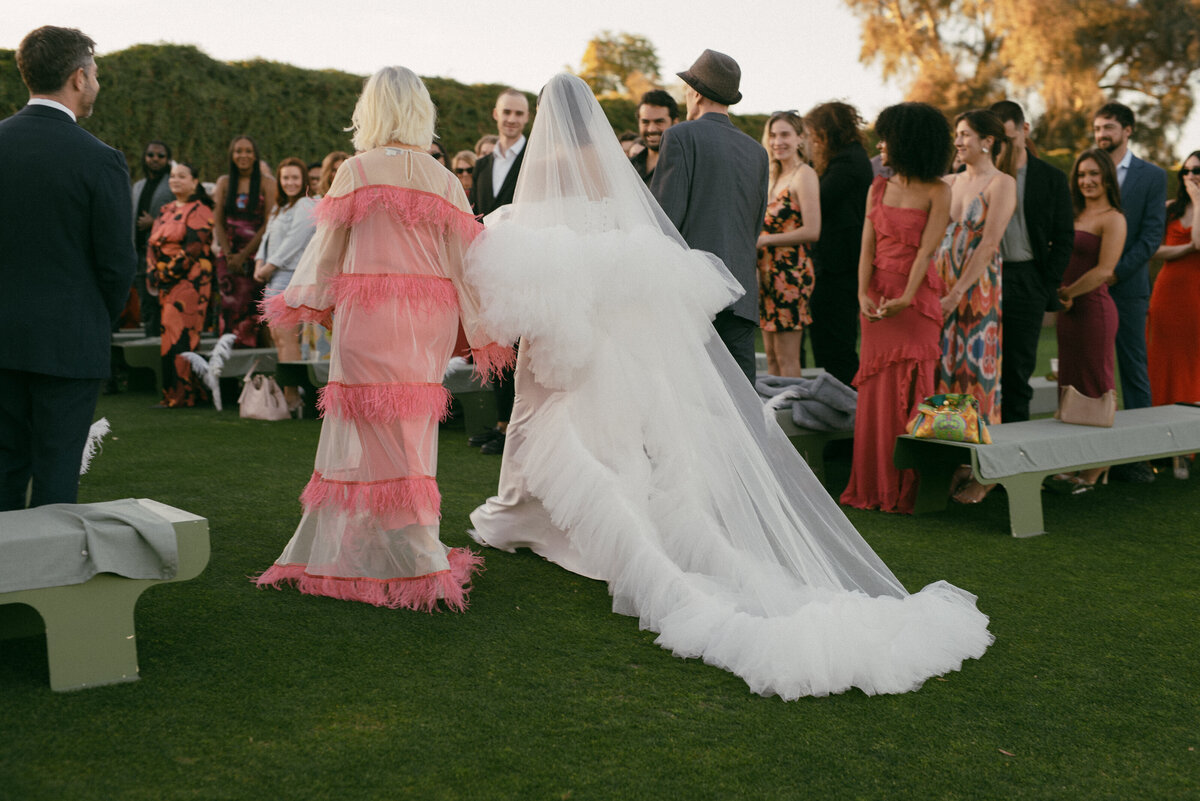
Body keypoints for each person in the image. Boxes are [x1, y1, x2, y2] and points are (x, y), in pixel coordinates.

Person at [467, 73, 991, 699]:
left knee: (565, 428)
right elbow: (649, 226)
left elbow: (652, 218)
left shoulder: (573, 160)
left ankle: (529, 520)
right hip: (692, 293)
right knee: (664, 431)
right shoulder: (740, 148)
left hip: (583, 321)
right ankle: (538, 517)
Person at [255, 66, 508, 610]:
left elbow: (325, 252)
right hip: (424, 324)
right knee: (410, 434)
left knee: (370, 432)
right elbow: (467, 262)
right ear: (422, 112)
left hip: (365, 320)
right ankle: (410, 544)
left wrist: (314, 305)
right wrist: (481, 326)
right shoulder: (443, 179)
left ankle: (403, 547)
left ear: (369, 110)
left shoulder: (355, 170)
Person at [0, 26, 134, 510]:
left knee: (3, 473)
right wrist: (97, 319)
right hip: (69, 342)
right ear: (79, 78)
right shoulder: (99, 161)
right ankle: (46, 585)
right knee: (57, 475)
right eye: (95, 73)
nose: (96, 83)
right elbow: (118, 265)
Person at [840, 103, 952, 514]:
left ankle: (909, 487)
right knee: (876, 392)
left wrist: (906, 296)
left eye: (887, 137)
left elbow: (927, 250)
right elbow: (866, 246)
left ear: (908, 142)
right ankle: (872, 485)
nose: (880, 144)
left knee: (914, 388)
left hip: (916, 301)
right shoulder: (877, 187)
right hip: (876, 299)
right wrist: (861, 294)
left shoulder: (940, 190)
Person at [651, 49, 769, 385]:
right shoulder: (756, 152)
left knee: (689, 403)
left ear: (697, 93)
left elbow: (665, 221)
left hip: (693, 297)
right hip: (742, 295)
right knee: (742, 408)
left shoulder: (680, 136)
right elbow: (755, 223)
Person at [934, 110, 1016, 503]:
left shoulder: (1002, 183)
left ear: (987, 141)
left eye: (965, 134)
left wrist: (956, 294)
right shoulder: (947, 181)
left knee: (976, 374)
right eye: (957, 135)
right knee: (946, 371)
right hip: (940, 285)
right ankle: (953, 461)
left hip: (977, 290)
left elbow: (989, 244)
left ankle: (985, 472)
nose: (958, 141)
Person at [1092, 102, 1167, 484]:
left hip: (1129, 289)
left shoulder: (1151, 177)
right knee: (1091, 371)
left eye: (1107, 127)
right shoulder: (1087, 170)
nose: (1101, 134)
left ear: (1128, 130)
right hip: (1089, 291)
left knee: (1134, 371)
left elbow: (1152, 235)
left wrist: (1114, 273)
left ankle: (1140, 457)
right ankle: (1092, 456)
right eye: (1097, 128)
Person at [988, 100, 1075, 423]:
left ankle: (1012, 462)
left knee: (1016, 372)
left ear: (1025, 130)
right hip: (983, 280)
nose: (1003, 147)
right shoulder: (978, 176)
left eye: (1009, 139)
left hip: (1027, 279)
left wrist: (1045, 284)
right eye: (996, 141)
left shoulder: (1050, 178)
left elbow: (1065, 236)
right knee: (979, 371)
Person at [1048, 149, 1126, 493]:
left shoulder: (1113, 218)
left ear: (1107, 176)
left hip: (1094, 311)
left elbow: (1105, 271)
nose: (1087, 181)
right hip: (1069, 314)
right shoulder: (1072, 213)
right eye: (1081, 175)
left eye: (1094, 174)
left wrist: (1068, 293)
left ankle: (1097, 467)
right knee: (1068, 386)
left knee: (1095, 389)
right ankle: (1071, 460)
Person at [468, 88, 531, 456]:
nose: (511, 119)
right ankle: (500, 424)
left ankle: (516, 427)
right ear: (496, 113)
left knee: (519, 344)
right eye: (506, 112)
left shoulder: (532, 160)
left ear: (527, 118)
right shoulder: (481, 165)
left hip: (521, 264)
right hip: (489, 264)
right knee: (495, 341)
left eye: (519, 114)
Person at [804, 101, 874, 387]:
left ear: (827, 133)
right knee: (826, 344)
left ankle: (847, 415)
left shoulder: (848, 163)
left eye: (814, 136)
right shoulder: (844, 160)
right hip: (834, 267)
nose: (811, 142)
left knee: (838, 347)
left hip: (841, 268)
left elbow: (816, 201)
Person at [756, 110, 820, 377]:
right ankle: (774, 418)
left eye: (784, 134)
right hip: (765, 274)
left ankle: (794, 416)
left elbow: (812, 230)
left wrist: (766, 240)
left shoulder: (803, 174)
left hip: (790, 275)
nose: (777, 141)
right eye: (772, 135)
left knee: (787, 359)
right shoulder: (771, 176)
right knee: (770, 357)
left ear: (799, 139)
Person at [1148, 150, 1200, 479]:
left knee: (1193, 367)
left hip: (1197, 297)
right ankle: (1158, 443)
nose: (1193, 175)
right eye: (1188, 170)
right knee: (1162, 363)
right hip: (1168, 293)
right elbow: (1153, 249)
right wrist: (1187, 250)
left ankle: (1188, 447)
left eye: (1199, 170)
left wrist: (1198, 199)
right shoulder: (1169, 209)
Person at [146, 162, 215, 408]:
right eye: (173, 176)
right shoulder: (165, 210)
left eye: (182, 176)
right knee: (170, 335)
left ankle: (183, 395)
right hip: (166, 282)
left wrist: (165, 274)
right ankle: (174, 394)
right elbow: (152, 246)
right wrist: (153, 272)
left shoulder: (201, 210)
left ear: (194, 181)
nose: (175, 180)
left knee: (182, 337)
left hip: (190, 282)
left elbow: (193, 248)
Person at [253, 157, 317, 413]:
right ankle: (289, 394)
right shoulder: (279, 209)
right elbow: (266, 239)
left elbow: (295, 240)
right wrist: (259, 262)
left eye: (295, 178)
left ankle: (293, 398)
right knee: (278, 339)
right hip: (272, 277)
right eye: (285, 178)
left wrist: (269, 266)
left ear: (302, 180)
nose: (290, 182)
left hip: (289, 276)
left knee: (288, 338)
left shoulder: (305, 204)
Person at [213, 135, 277, 347]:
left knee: (252, 312)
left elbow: (268, 223)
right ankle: (228, 365)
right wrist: (229, 254)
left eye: (248, 151)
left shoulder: (267, 183)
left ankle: (256, 372)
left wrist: (243, 255)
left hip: (255, 257)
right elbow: (219, 222)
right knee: (229, 310)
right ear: (231, 155)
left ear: (255, 155)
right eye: (238, 151)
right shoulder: (224, 183)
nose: (243, 155)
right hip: (228, 258)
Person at [131, 140, 174, 336]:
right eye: (151, 155)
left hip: (165, 257)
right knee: (146, 306)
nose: (155, 159)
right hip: (140, 255)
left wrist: (154, 222)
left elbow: (180, 216)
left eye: (160, 155)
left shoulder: (172, 185)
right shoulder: (138, 186)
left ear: (168, 159)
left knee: (163, 306)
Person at [630, 90, 678, 186]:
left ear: (675, 123)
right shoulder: (630, 165)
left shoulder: (684, 166)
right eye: (645, 122)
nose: (651, 129)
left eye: (659, 122)